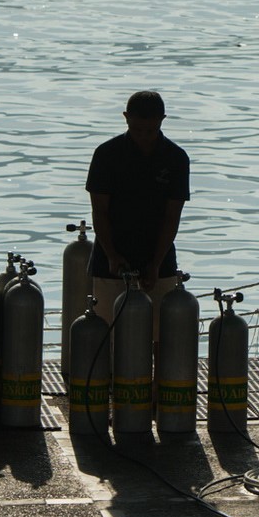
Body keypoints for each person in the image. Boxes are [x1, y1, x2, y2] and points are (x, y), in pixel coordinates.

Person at [86, 90, 190, 336]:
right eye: (137, 129)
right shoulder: (106, 154)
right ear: (125, 118)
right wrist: (112, 255)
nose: (143, 136)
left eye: (151, 130)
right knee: (107, 334)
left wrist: (155, 264)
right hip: (110, 261)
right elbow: (99, 211)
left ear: (162, 120)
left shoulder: (176, 158)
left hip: (159, 258)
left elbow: (172, 217)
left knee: (161, 336)